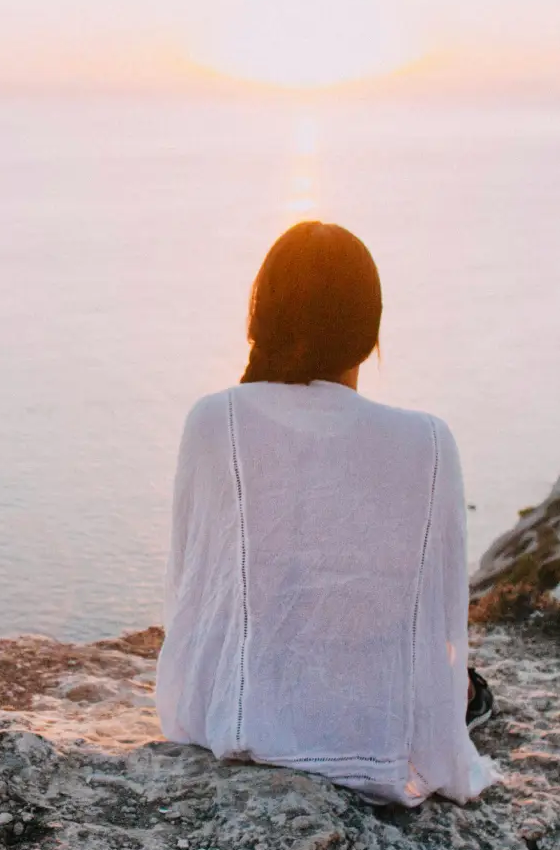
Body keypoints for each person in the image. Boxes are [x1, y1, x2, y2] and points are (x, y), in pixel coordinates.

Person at [156, 221, 496, 806]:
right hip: (376, 728)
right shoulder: (430, 441)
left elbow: (193, 597)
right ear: (368, 330)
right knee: (462, 687)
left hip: (238, 718)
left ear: (261, 317)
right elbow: (440, 615)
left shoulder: (215, 421)